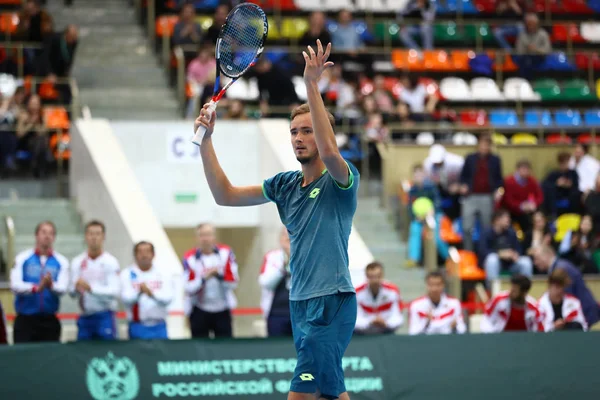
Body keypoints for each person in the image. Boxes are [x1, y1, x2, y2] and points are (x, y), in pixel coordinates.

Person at [195, 39, 358, 400]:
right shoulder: (285, 185)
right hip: (299, 301)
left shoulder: (341, 180)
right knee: (331, 392)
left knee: (300, 394)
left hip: (332, 301)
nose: (299, 139)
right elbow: (225, 195)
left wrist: (311, 84)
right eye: (294, 133)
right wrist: (207, 141)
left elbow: (330, 151)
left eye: (307, 131)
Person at [10, 221, 69, 343]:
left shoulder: (61, 261)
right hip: (25, 319)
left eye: (51, 233)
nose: (47, 236)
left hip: (49, 321)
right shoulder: (22, 258)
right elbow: (15, 285)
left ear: (54, 238)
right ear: (36, 235)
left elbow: (63, 287)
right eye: (43, 232)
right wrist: (36, 288)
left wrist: (50, 285)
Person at [183, 223, 238, 338]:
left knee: (225, 347)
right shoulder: (190, 257)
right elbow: (188, 288)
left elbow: (233, 283)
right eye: (202, 235)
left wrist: (219, 276)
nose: (205, 239)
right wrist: (204, 278)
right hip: (200, 309)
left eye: (208, 235)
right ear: (197, 238)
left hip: (222, 309)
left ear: (214, 236)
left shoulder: (226, 253)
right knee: (200, 348)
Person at [69, 220, 120, 340]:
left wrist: (90, 288)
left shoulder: (110, 262)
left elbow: (114, 291)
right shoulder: (78, 262)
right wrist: (76, 288)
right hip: (85, 315)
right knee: (83, 353)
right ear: (86, 237)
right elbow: (72, 293)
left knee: (107, 353)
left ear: (103, 237)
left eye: (97, 234)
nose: (94, 238)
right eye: (91, 234)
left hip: (105, 315)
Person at [532, 245, 600, 327]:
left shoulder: (561, 269)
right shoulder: (560, 266)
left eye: (537, 258)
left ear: (546, 255)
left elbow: (567, 298)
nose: (535, 262)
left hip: (582, 313)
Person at [459, 133, 504, 251]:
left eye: (487, 145)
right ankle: (468, 253)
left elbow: (499, 180)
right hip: (470, 196)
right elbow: (463, 177)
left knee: (486, 228)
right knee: (467, 227)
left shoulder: (495, 160)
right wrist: (463, 186)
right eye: (482, 145)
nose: (484, 147)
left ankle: (484, 253)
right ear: (478, 145)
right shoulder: (470, 158)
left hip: (487, 197)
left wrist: (498, 191)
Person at [121, 241, 174, 340]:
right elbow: (126, 299)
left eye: (147, 252)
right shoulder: (127, 274)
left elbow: (168, 298)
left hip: (159, 325)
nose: (144, 255)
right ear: (135, 255)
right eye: (140, 252)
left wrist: (151, 293)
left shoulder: (163, 274)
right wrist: (139, 292)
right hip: (137, 326)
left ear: (153, 254)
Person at [480, 209, 533, 285]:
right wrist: (500, 253)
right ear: (497, 220)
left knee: (526, 262)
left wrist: (515, 254)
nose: (509, 220)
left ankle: (524, 291)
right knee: (492, 259)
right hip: (495, 264)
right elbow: (482, 251)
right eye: (506, 218)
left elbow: (519, 249)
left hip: (509, 264)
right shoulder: (486, 233)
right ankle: (494, 291)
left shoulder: (511, 232)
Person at [259, 228, 293, 337]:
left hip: (300, 313)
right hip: (276, 313)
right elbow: (265, 282)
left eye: (291, 234)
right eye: (285, 235)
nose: (288, 238)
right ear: (280, 239)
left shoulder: (307, 256)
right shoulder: (272, 257)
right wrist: (283, 265)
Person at [408, 271, 466, 335]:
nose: (434, 289)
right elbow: (413, 332)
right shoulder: (416, 305)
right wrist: (426, 323)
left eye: (438, 285)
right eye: (431, 285)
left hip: (448, 341)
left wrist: (455, 327)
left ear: (443, 285)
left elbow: (462, 329)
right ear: (426, 285)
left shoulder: (454, 303)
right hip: (425, 342)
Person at [354, 262, 403, 335]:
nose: (375, 280)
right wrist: (371, 321)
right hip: (363, 334)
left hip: (386, 332)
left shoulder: (392, 291)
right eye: (371, 277)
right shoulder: (357, 293)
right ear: (366, 276)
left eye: (378, 276)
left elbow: (398, 317)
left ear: (382, 275)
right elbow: (354, 320)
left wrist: (386, 323)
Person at [500, 159, 543, 233]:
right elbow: (507, 200)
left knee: (535, 219)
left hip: (527, 211)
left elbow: (540, 196)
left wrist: (533, 204)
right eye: (523, 169)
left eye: (527, 169)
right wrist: (521, 206)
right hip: (511, 210)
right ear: (517, 169)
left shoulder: (532, 180)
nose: (525, 171)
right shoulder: (509, 181)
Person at [541, 151, 581, 217]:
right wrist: (557, 184)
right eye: (564, 163)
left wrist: (570, 185)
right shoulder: (554, 174)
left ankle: (574, 215)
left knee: (577, 194)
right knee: (550, 191)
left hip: (569, 196)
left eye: (567, 162)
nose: (566, 165)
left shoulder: (573, 173)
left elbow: (576, 186)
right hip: (557, 196)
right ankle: (552, 216)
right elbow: (544, 185)